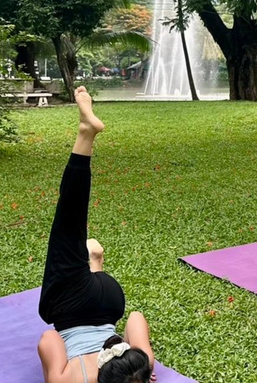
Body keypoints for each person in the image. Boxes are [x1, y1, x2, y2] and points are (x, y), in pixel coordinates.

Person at [37, 87, 155, 383]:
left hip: (110, 302)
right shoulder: (69, 380)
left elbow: (136, 317)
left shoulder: (141, 366)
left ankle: (95, 266)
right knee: (68, 221)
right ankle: (85, 133)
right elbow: (49, 338)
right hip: (69, 306)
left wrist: (139, 363)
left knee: (73, 225)